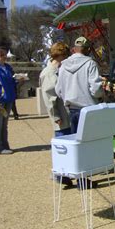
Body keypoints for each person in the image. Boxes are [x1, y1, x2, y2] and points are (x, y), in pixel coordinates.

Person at [40, 42, 73, 187]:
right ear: (59, 55)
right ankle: (59, 174)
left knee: (65, 143)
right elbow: (50, 98)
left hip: (64, 114)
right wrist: (56, 117)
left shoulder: (57, 70)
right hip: (61, 116)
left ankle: (63, 174)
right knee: (62, 145)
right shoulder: (49, 73)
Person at [55, 36, 103, 134]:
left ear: (74, 49)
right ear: (88, 49)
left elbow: (58, 90)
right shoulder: (90, 64)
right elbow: (96, 90)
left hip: (71, 109)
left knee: (77, 143)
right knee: (90, 142)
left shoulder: (63, 65)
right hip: (89, 109)